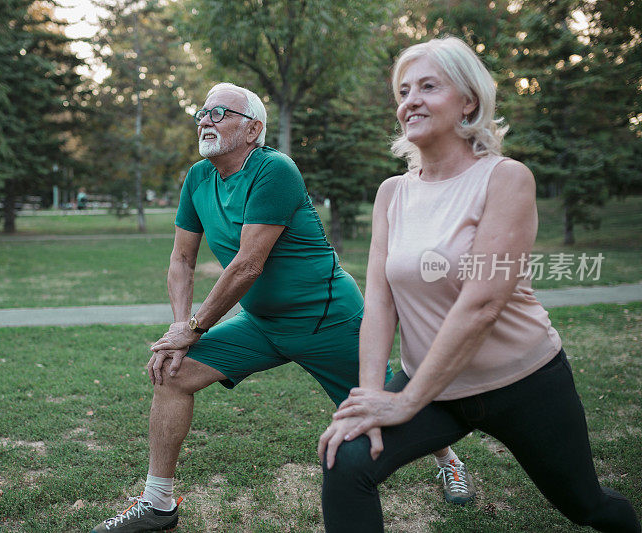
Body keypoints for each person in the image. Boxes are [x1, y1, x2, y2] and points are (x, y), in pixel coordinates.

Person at [90, 82, 472, 533]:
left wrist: (194, 326)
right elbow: (181, 259)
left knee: (389, 404)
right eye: (202, 113)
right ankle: (158, 504)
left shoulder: (275, 169)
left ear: (253, 129)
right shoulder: (198, 178)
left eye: (219, 112)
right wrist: (179, 328)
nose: (205, 120)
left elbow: (248, 264)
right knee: (172, 373)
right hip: (261, 323)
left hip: (326, 320)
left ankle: (450, 459)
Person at [318, 36, 641, 533]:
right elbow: (380, 301)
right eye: (403, 91)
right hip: (437, 387)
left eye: (428, 86)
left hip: (524, 382)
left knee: (586, 505)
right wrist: (368, 399)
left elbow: (482, 303)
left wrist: (405, 402)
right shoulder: (391, 194)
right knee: (347, 458)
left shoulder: (506, 178)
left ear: (468, 100)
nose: (411, 101)